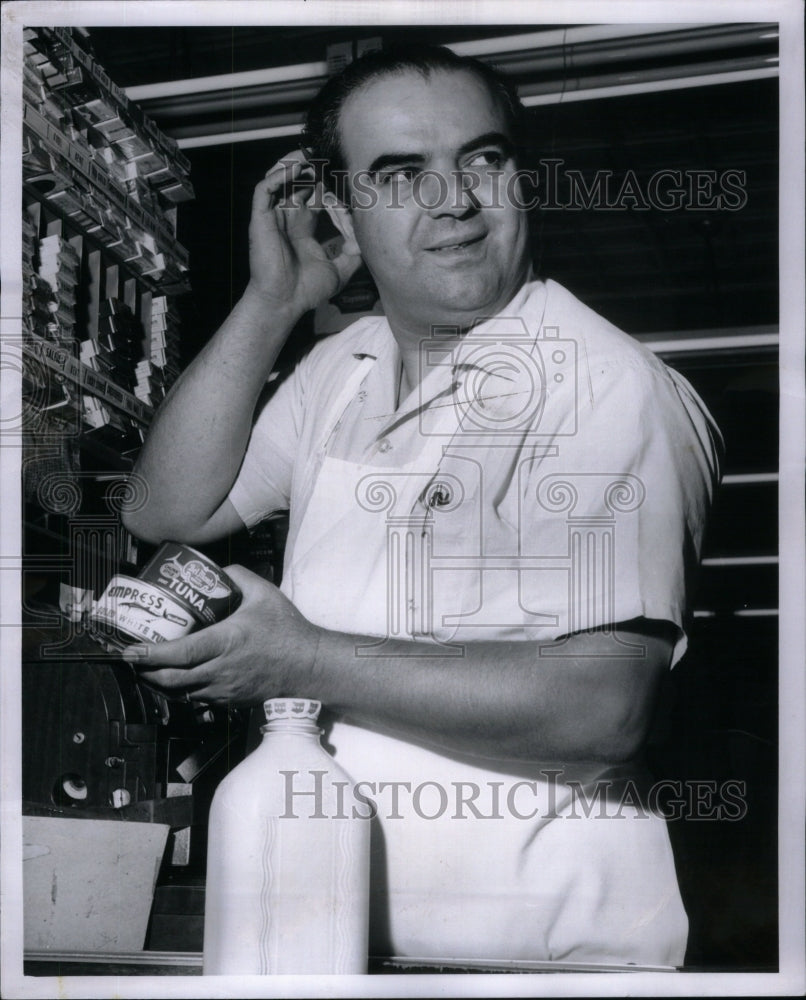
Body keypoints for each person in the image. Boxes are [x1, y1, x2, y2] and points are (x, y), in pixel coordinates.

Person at [122, 45, 723, 967]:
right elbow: (163, 512)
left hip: (535, 958)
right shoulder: (342, 369)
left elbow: (609, 703)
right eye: (401, 175)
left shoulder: (603, 385)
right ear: (342, 207)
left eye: (482, 159)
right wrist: (271, 301)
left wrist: (304, 659)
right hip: (337, 939)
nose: (454, 201)